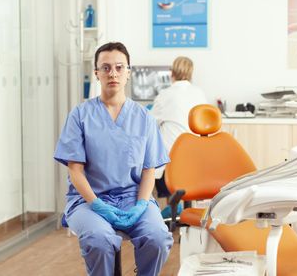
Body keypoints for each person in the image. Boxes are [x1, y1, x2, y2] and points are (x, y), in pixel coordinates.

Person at [54, 42, 173, 276]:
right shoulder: (80, 115)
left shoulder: (144, 118)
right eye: (106, 68)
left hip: (133, 197)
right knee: (99, 239)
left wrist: (141, 204)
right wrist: (97, 204)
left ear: (128, 72)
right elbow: (75, 171)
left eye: (119, 67)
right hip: (89, 200)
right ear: (96, 73)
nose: (113, 73)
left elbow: (149, 170)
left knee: (158, 237)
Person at [150, 56, 207, 210]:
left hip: (170, 167)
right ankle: (182, 210)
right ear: (191, 73)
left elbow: (150, 123)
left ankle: (166, 211)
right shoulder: (200, 94)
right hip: (195, 163)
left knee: (150, 157)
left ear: (171, 73)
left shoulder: (165, 95)